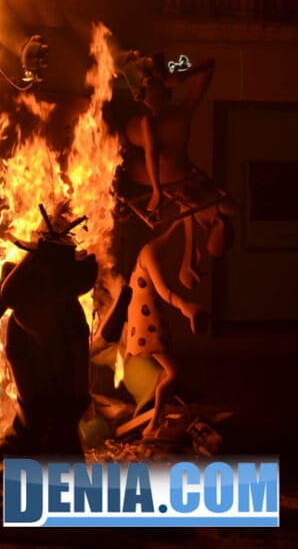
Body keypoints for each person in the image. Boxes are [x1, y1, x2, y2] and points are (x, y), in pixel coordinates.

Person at [125, 204, 234, 436]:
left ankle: (157, 412)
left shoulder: (156, 248)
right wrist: (186, 306)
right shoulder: (149, 253)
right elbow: (164, 291)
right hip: (146, 319)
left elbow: (180, 226)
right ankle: (152, 425)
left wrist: (187, 218)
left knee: (168, 373)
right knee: (173, 372)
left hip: (148, 315)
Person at [123, 56, 216, 215]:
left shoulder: (165, 117)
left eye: (156, 87)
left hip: (169, 178)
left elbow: (151, 154)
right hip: (177, 175)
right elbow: (209, 65)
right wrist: (185, 75)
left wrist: (156, 191)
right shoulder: (181, 112)